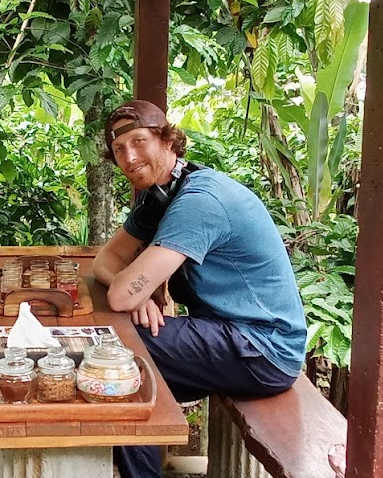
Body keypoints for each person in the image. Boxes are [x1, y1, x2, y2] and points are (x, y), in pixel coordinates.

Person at [92, 100, 306, 478]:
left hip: (263, 347)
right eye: (120, 149)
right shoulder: (160, 194)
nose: (130, 156)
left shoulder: (199, 202)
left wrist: (136, 292)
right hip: (230, 334)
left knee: (119, 352)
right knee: (128, 373)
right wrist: (142, 293)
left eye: (139, 142)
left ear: (167, 140)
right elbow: (105, 262)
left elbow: (121, 294)